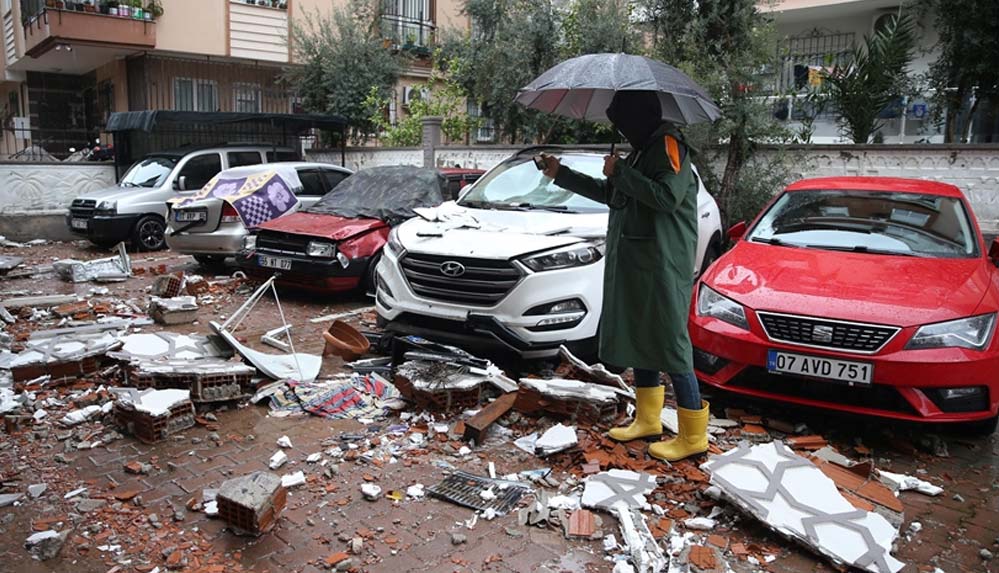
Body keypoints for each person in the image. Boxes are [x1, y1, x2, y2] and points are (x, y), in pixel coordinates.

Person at [538, 90, 708, 462]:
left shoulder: (668, 146)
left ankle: (694, 434)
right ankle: (648, 419)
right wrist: (560, 174)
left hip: (662, 262)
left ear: (642, 117)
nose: (621, 130)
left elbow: (666, 198)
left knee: (671, 342)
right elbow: (613, 193)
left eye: (623, 122)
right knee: (640, 334)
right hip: (637, 260)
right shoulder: (644, 149)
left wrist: (623, 172)